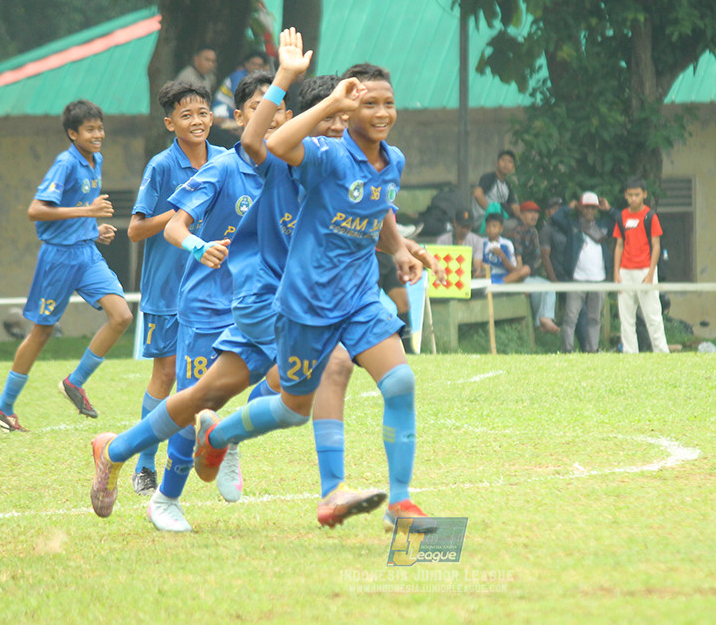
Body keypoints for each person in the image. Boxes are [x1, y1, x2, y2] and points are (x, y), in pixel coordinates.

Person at [193, 63, 435, 532]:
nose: (382, 112)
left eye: (388, 103)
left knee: (401, 383)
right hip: (306, 302)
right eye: (369, 103)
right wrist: (331, 103)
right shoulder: (326, 154)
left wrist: (401, 248)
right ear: (348, 106)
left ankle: (398, 504)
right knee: (292, 408)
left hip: (361, 297)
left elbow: (379, 202)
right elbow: (275, 145)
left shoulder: (394, 160)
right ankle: (218, 433)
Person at [0, 100, 132, 432]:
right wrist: (87, 214)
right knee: (42, 332)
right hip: (58, 258)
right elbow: (36, 211)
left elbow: (79, 208)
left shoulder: (96, 160)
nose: (98, 135)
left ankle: (74, 382)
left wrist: (92, 231)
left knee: (122, 315)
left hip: (86, 253)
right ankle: (3, 406)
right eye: (90, 129)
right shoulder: (65, 163)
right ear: (72, 133)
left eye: (100, 128)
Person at [127, 80, 225, 496]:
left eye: (203, 112)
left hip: (212, 290)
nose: (197, 121)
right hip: (166, 290)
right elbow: (134, 230)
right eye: (186, 115)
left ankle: (196, 451)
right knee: (166, 374)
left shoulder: (224, 160)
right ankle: (144, 464)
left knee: (207, 378)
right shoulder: (162, 167)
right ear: (170, 123)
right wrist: (178, 213)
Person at [552, 191, 619, 353]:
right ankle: (568, 350)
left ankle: (592, 349)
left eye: (593, 208)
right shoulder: (573, 225)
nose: (590, 211)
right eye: (586, 208)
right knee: (571, 317)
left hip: (599, 278)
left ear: (597, 209)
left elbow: (622, 222)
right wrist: (569, 207)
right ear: (581, 209)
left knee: (594, 318)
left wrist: (609, 209)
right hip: (578, 278)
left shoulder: (603, 225)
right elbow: (555, 218)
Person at [613, 176, 669, 354]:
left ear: (644, 194)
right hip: (625, 272)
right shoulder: (621, 217)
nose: (633, 199)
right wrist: (616, 272)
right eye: (630, 195)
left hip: (645, 269)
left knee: (653, 315)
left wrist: (651, 273)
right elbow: (619, 245)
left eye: (637, 195)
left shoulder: (650, 216)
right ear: (625, 195)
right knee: (626, 317)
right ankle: (630, 354)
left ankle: (661, 353)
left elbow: (656, 246)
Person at [507, 200, 558, 333]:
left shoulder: (534, 231)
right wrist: (520, 282)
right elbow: (517, 258)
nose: (534, 216)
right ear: (522, 215)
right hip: (517, 275)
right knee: (538, 288)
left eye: (536, 213)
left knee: (550, 286)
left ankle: (545, 319)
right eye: (530, 212)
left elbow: (537, 255)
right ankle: (541, 322)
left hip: (530, 273)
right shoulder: (517, 231)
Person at [212, 50, 270, 135]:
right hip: (222, 110)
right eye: (253, 64)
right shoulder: (238, 76)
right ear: (246, 64)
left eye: (259, 65)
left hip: (234, 113)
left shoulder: (258, 80)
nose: (256, 67)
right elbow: (240, 100)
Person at [470, 150, 519, 231]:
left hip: (499, 220)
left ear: (513, 167)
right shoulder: (489, 178)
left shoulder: (507, 185)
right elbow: (477, 194)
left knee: (522, 225)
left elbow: (515, 208)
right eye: (503, 160)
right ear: (497, 163)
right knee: (515, 227)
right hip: (482, 219)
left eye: (510, 162)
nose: (506, 164)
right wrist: (491, 210)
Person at [481, 212, 529, 284]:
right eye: (488, 227)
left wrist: (502, 256)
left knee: (526, 270)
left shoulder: (507, 244)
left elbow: (513, 270)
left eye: (494, 226)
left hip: (505, 276)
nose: (491, 230)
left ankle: (499, 283)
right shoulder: (482, 243)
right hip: (487, 275)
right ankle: (497, 284)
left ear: (501, 228)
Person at [436, 208, 485, 277]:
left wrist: (476, 271)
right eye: (462, 226)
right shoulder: (442, 240)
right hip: (447, 276)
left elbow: (477, 264)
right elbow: (439, 263)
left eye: (468, 227)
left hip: (468, 277)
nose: (465, 230)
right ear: (455, 223)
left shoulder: (477, 241)